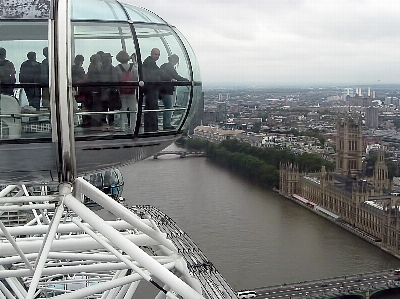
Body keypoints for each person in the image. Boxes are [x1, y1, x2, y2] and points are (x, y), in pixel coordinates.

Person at [142, 48, 173, 132]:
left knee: (150, 108)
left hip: (150, 89)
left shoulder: (148, 62)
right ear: (151, 53)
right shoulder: (150, 63)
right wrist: (170, 78)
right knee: (153, 108)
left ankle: (149, 128)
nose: (157, 56)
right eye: (156, 54)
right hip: (151, 88)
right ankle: (152, 128)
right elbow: (159, 72)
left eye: (158, 55)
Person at [160, 54, 188, 130]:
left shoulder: (163, 66)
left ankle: (166, 124)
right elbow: (177, 77)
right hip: (166, 90)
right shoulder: (170, 68)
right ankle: (166, 125)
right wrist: (187, 81)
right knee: (168, 107)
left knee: (167, 107)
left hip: (160, 89)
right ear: (175, 61)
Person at [115, 50, 138, 132]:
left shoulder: (117, 68)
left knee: (123, 109)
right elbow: (136, 77)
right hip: (132, 91)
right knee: (133, 109)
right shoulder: (133, 67)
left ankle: (122, 126)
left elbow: (116, 80)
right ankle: (133, 127)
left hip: (122, 91)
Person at [100, 52, 118, 128]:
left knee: (105, 108)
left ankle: (105, 123)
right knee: (109, 108)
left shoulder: (101, 68)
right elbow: (115, 79)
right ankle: (110, 124)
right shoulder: (112, 68)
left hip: (105, 91)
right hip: (110, 91)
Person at [86, 53, 102, 127]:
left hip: (93, 89)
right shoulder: (95, 67)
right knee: (96, 106)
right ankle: (96, 122)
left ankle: (95, 121)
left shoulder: (90, 67)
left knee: (95, 106)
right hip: (95, 89)